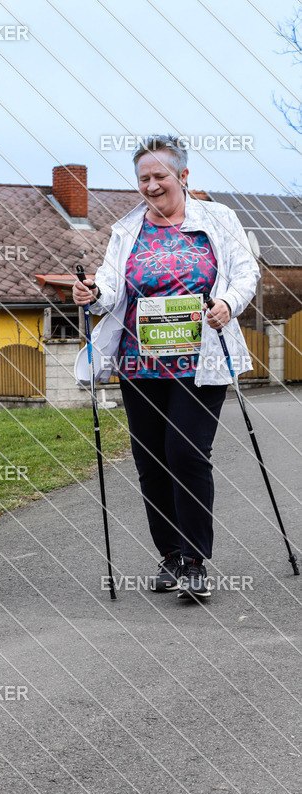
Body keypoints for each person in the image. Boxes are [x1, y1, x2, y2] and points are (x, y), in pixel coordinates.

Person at [73, 135, 259, 600]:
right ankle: (171, 554)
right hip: (139, 362)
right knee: (151, 460)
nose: (152, 185)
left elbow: (245, 274)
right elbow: (112, 289)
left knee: (185, 453)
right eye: (144, 178)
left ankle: (195, 560)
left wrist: (227, 304)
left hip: (201, 360)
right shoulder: (126, 230)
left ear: (183, 176)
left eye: (160, 176)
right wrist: (92, 293)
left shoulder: (219, 218)